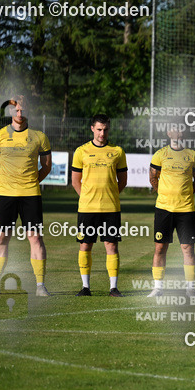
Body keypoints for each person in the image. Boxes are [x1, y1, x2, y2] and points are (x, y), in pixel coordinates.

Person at [0, 97, 52, 296]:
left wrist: (30, 182)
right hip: (5, 195)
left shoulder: (39, 137)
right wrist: (9, 183)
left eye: (23, 110)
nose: (20, 114)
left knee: (35, 238)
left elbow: (46, 166)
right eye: (16, 111)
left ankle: (40, 286)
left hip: (31, 195)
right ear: (11, 112)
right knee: (1, 237)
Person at [71, 114, 128, 297]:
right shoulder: (81, 151)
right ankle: (85, 287)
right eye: (99, 129)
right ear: (92, 129)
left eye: (105, 130)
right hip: (87, 209)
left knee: (111, 246)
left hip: (111, 209)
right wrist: (88, 198)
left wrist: (110, 195)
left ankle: (113, 288)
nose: (102, 133)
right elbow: (75, 181)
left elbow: (122, 181)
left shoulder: (117, 151)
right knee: (85, 245)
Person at [148, 126, 195, 298]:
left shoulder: (193, 156)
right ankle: (158, 288)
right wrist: (164, 194)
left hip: (185, 209)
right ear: (168, 133)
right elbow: (153, 177)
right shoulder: (160, 155)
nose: (177, 132)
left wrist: (185, 194)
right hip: (163, 209)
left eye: (180, 128)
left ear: (183, 132)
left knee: (188, 248)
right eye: (174, 128)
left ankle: (190, 288)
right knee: (160, 248)